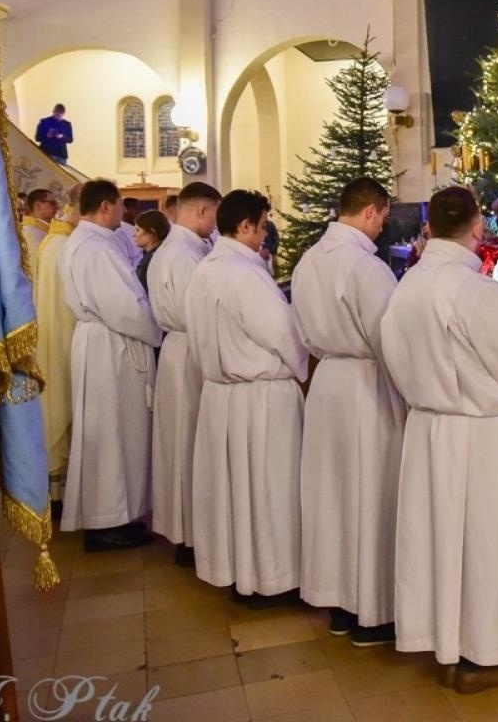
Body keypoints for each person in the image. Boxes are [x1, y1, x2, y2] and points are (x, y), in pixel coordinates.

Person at [381, 186, 498, 693]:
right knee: (486, 542)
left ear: (429, 228)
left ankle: (447, 642)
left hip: (430, 431)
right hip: (480, 437)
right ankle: (491, 651)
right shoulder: (476, 293)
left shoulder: (406, 288)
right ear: (479, 228)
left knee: (439, 538)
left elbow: (394, 360)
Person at [293, 178, 402, 646]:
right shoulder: (366, 267)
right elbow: (389, 339)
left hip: (327, 383)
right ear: (373, 212)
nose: (382, 229)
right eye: (383, 218)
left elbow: (299, 328)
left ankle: (339, 606)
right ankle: (371, 613)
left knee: (333, 497)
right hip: (365, 385)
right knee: (370, 494)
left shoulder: (307, 261)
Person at [188, 189, 309, 597]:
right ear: (244, 227)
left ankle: (241, 571)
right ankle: (272, 578)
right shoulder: (244, 273)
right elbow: (282, 333)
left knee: (235, 492)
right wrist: (302, 369)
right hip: (260, 398)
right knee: (269, 488)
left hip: (222, 396)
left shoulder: (206, 268)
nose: (264, 236)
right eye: (262, 227)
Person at [59, 179, 164, 550]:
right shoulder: (96, 249)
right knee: (113, 433)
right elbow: (126, 306)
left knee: (114, 432)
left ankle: (116, 516)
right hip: (112, 347)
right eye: (120, 205)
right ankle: (107, 521)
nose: (124, 212)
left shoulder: (87, 241)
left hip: (102, 344)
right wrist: (158, 331)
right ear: (105, 206)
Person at [147, 181, 221, 566]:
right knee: (191, 442)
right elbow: (205, 308)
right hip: (192, 347)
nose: (214, 226)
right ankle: (192, 534)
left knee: (179, 441)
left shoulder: (170, 249)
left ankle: (183, 531)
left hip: (177, 348)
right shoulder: (188, 256)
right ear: (202, 212)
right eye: (213, 216)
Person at [36, 183, 81, 499]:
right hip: (64, 336)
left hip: (54, 333)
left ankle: (59, 489)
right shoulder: (62, 245)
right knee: (65, 400)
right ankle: (59, 491)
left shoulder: (53, 239)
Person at [133, 210, 170, 293]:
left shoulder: (153, 260)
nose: (134, 235)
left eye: (138, 230)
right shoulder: (151, 256)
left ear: (151, 232)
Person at [21, 188, 58, 262]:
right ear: (38, 205)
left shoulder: (48, 229)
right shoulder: (28, 231)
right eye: (52, 203)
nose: (57, 206)